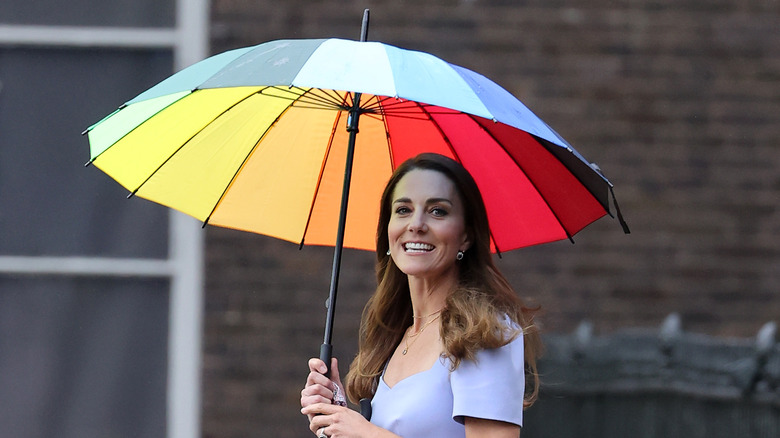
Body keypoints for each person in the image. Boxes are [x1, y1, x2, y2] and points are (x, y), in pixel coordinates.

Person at [300, 153, 542, 438]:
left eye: (438, 211)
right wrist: (338, 415)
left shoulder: (485, 333)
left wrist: (367, 434)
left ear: (466, 236)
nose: (416, 224)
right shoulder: (395, 338)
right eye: (403, 210)